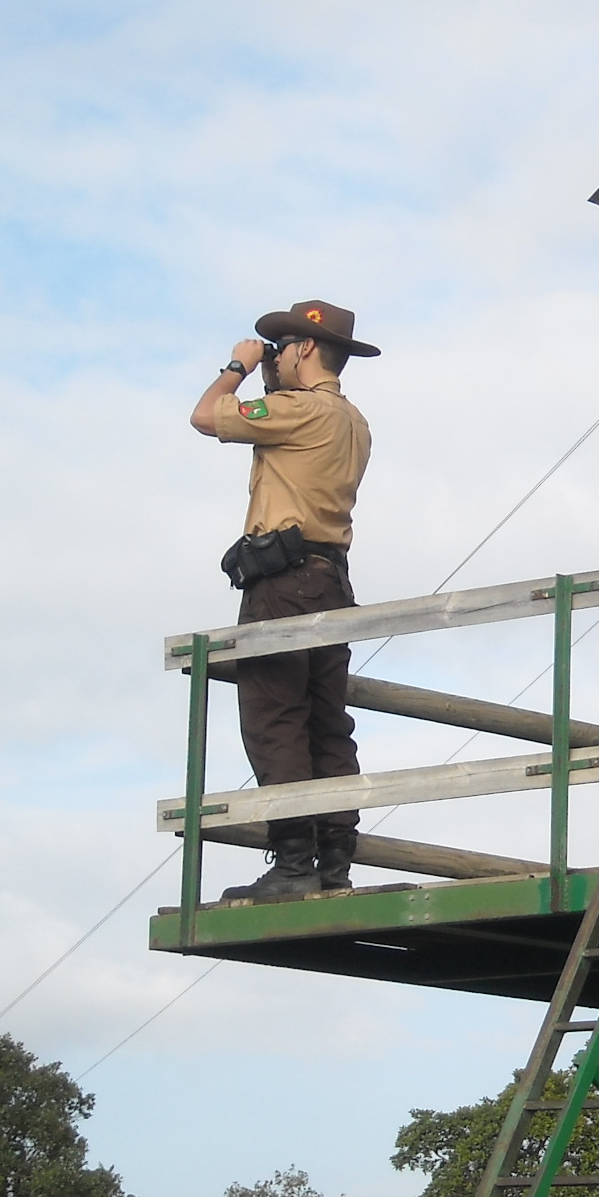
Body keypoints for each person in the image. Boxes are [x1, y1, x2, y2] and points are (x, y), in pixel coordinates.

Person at [189, 299, 378, 901]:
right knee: (327, 724)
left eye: (282, 349)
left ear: (304, 349)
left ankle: (294, 864)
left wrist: (239, 366)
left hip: (282, 584)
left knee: (275, 716)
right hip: (331, 581)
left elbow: (205, 416)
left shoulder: (297, 409)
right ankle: (334, 860)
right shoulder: (354, 420)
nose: (275, 358)